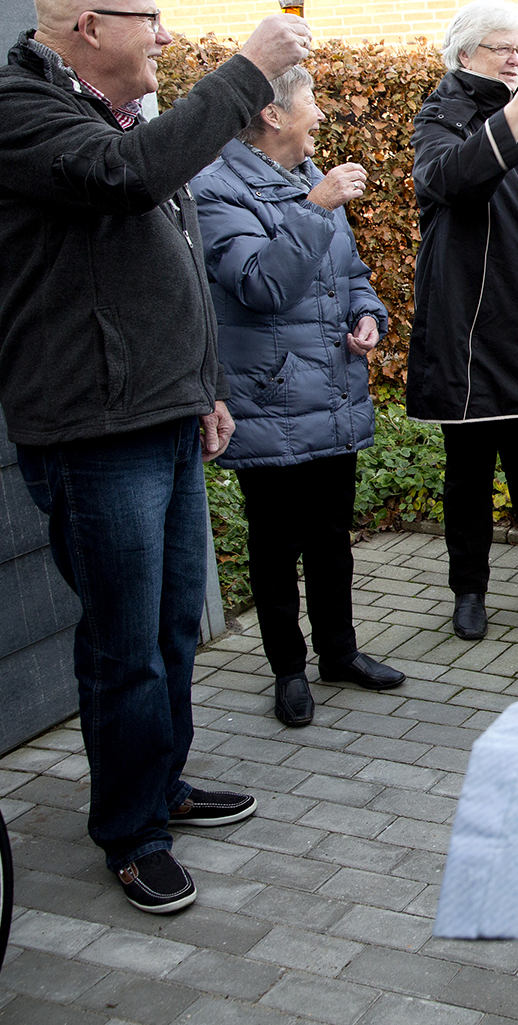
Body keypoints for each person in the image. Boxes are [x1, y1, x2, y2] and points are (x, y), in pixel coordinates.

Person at [0, 0, 311, 913]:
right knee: (126, 643)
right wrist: (244, 72)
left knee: (170, 632)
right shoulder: (11, 112)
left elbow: (170, 260)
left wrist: (204, 385)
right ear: (86, 27)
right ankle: (130, 829)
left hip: (160, 414)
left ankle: (160, 783)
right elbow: (122, 180)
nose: (162, 34)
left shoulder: (117, 115)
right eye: (145, 17)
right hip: (89, 429)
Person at [191, 64, 406, 729]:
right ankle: (288, 669)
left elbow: (352, 274)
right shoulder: (216, 189)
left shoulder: (305, 176)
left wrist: (370, 315)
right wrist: (316, 208)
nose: (320, 113)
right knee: (275, 544)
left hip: (334, 394)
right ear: (273, 116)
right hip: (270, 401)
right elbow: (260, 284)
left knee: (331, 539)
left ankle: (339, 654)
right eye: (311, 102)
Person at [406, 0, 518, 639]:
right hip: (471, 335)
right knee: (469, 476)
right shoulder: (442, 116)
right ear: (465, 56)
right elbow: (452, 182)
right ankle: (469, 592)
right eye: (502, 49)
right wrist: (517, 108)